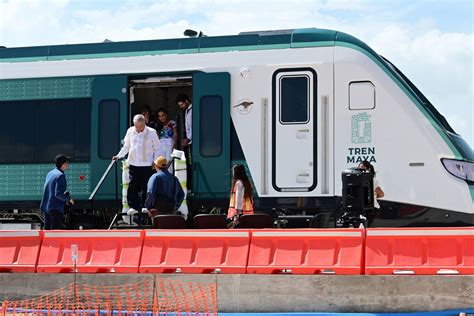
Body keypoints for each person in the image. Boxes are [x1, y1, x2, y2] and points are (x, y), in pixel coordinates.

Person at [113, 114, 160, 211]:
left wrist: (155, 161)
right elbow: (126, 146)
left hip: (148, 165)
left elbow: (158, 148)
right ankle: (133, 208)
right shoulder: (130, 131)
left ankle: (146, 207)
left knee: (147, 187)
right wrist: (118, 156)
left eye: (141, 127)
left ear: (145, 123)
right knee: (132, 186)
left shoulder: (152, 132)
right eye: (137, 126)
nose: (139, 129)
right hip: (134, 164)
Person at [40, 154, 75, 230]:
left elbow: (48, 190)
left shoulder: (50, 173)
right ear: (63, 164)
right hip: (55, 208)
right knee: (54, 233)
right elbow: (58, 194)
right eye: (67, 162)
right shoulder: (60, 176)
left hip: (46, 207)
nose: (67, 164)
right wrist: (68, 199)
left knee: (48, 232)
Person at [176, 93, 192, 189]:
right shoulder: (187, 111)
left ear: (186, 101)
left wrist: (189, 138)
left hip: (192, 141)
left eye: (182, 104)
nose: (181, 107)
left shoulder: (193, 110)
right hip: (189, 140)